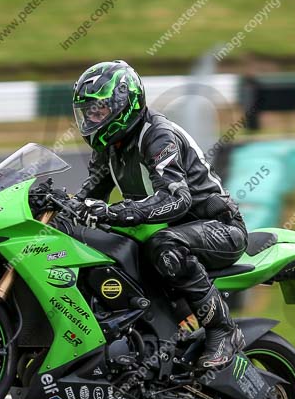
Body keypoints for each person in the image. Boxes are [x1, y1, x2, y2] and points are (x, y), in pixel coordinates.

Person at [69, 60, 248, 369]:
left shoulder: (157, 136)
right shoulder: (109, 145)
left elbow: (176, 200)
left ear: (123, 103)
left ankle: (223, 330)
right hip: (171, 230)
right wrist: (56, 206)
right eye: (88, 111)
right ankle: (154, 335)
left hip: (217, 227)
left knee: (164, 244)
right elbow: (91, 194)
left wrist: (118, 212)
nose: (91, 117)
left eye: (99, 109)